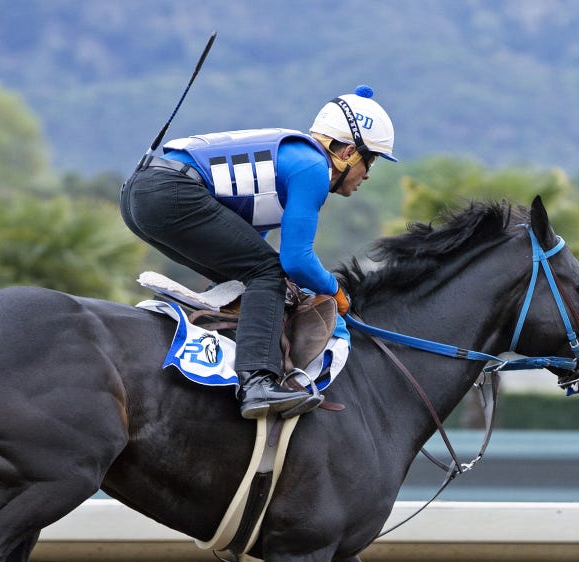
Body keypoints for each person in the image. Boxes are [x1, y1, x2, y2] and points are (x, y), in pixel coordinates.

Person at [120, 85, 397, 419]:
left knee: (251, 274)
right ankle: (256, 383)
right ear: (348, 152)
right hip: (169, 192)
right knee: (268, 272)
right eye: (370, 160)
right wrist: (335, 290)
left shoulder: (290, 161)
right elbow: (296, 260)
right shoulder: (312, 168)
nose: (367, 174)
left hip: (139, 193)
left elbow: (250, 247)